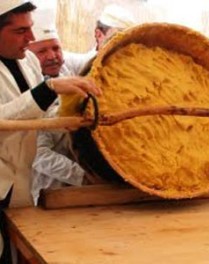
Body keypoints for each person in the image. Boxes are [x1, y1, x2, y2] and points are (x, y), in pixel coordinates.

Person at [0, 1, 101, 262]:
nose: (30, 38)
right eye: (21, 31)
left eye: (30, 29)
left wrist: (71, 117)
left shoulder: (28, 63)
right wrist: (50, 88)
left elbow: (40, 116)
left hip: (19, 187)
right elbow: (5, 119)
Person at [28, 8, 101, 206]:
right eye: (42, 51)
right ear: (27, 55)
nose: (52, 56)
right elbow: (39, 154)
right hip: (51, 190)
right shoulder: (27, 92)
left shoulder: (67, 73)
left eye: (56, 48)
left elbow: (95, 59)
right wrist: (83, 177)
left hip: (90, 189)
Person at [63, 4, 135, 75]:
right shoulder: (73, 66)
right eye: (116, 38)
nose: (122, 47)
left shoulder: (135, 70)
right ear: (99, 35)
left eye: (127, 41)